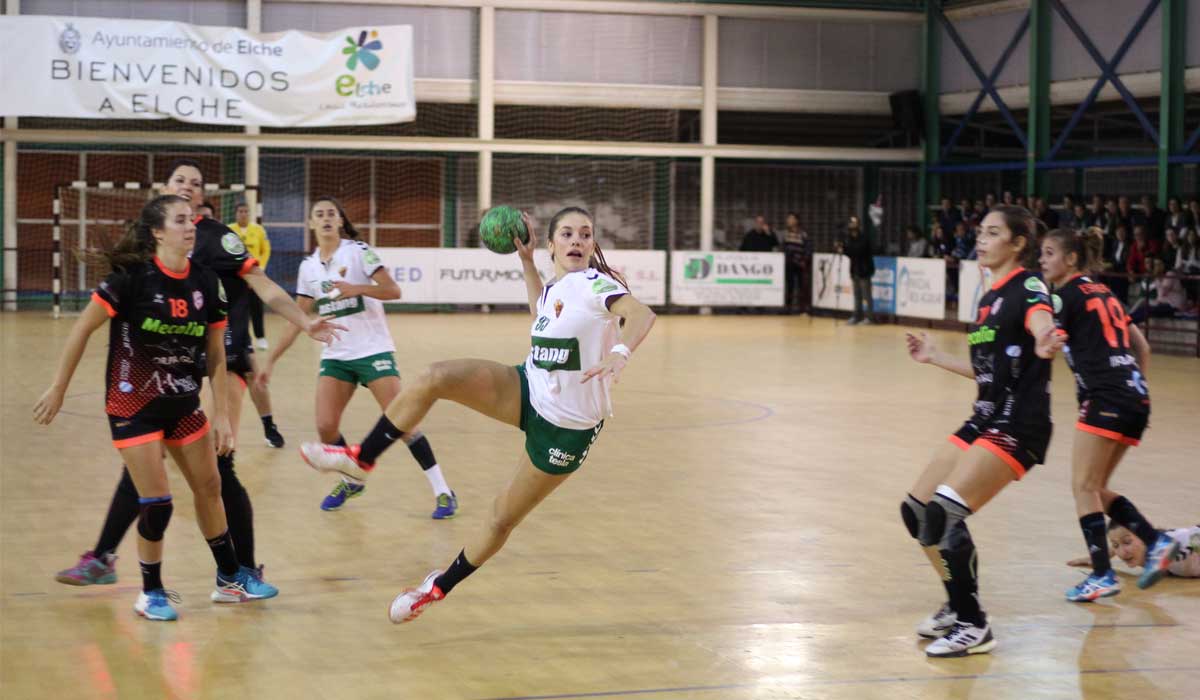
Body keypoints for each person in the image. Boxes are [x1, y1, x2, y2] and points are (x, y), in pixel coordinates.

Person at [299, 207, 657, 624]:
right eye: (566, 233)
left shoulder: (596, 283)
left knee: (501, 518)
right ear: (551, 245)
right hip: (529, 388)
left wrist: (619, 354)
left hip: (566, 431)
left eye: (585, 234)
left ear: (592, 245)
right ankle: (362, 458)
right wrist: (525, 263)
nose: (576, 240)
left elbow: (642, 314)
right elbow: (540, 309)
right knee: (436, 377)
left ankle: (436, 587)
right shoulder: (555, 287)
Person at [54, 158, 343, 590]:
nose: (188, 187)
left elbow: (262, 284)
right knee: (143, 466)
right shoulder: (150, 236)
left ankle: (241, 570)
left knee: (220, 467)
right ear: (164, 192)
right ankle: (104, 557)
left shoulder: (218, 239)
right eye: (180, 181)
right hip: (164, 375)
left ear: (204, 199)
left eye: (196, 183)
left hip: (219, 362)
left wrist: (305, 322)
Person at [34, 195, 270, 620]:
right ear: (158, 232)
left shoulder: (204, 282)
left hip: (183, 404)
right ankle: (151, 592)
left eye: (191, 220)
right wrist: (58, 388)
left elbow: (216, 355)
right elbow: (82, 329)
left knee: (211, 488)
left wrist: (221, 416)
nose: (190, 227)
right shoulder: (131, 279)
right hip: (133, 404)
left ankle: (229, 579)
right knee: (157, 502)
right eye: (179, 221)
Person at [900, 205, 1061, 658]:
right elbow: (987, 370)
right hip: (985, 417)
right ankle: (957, 603)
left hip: (1018, 423)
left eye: (993, 233)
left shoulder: (1028, 285)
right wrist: (935, 357)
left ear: (1018, 244)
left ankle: (975, 625)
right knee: (916, 511)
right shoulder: (989, 298)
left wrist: (1046, 338)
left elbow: (1040, 320)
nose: (981, 240)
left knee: (944, 514)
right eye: (980, 232)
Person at [259, 197, 458, 516]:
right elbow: (299, 317)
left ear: (339, 221)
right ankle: (353, 479)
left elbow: (393, 291)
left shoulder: (358, 251)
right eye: (319, 214)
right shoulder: (308, 267)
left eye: (331, 214)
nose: (325, 218)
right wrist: (270, 361)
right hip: (336, 355)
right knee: (325, 426)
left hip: (373, 350)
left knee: (403, 421)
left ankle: (444, 491)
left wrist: (358, 289)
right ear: (310, 224)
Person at [1039, 228, 1180, 598]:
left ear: (1071, 259)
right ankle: (1156, 541)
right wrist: (1136, 387)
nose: (1042, 260)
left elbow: (1046, 345)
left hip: (1105, 397)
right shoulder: (1106, 293)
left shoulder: (1062, 297)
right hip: (1135, 397)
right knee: (1096, 488)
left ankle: (1103, 574)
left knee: (1082, 487)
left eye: (1050, 253)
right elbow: (1142, 346)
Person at [226, 202, 284, 449]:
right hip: (205, 327)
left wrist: (256, 273)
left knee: (251, 372)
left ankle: (269, 427)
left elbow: (264, 252)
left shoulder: (251, 234)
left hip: (235, 321)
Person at [1069, 523, 1199, 581]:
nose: (1122, 552)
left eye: (1127, 542)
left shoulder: (1174, 546)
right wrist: (1100, 557)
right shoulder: (1157, 552)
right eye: (1115, 545)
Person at [227, 203, 271, 350]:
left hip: (255, 276)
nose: (243, 214)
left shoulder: (258, 230)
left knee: (256, 307)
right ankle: (242, 339)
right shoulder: (229, 230)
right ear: (236, 213)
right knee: (238, 309)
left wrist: (260, 268)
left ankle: (260, 337)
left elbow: (266, 250)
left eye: (246, 211)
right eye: (240, 211)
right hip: (236, 276)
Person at [841, 215, 875, 325]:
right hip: (854, 269)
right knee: (857, 295)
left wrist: (847, 248)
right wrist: (843, 248)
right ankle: (857, 316)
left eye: (854, 223)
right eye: (850, 223)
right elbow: (850, 253)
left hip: (864, 270)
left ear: (858, 225)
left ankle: (869, 317)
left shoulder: (864, 238)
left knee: (866, 295)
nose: (852, 225)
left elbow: (859, 251)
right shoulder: (849, 238)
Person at [781, 213, 810, 314]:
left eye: (791, 218)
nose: (789, 220)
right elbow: (783, 247)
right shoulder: (785, 234)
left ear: (796, 221)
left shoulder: (803, 234)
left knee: (802, 286)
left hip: (801, 264)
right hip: (789, 264)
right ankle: (788, 308)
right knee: (790, 286)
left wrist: (804, 260)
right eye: (788, 218)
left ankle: (802, 308)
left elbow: (807, 249)